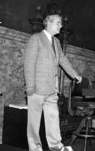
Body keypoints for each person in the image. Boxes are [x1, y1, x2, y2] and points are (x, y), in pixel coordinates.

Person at [24, 14, 82, 151]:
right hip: (36, 89)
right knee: (34, 123)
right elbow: (28, 64)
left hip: (51, 90)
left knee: (53, 119)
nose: (60, 25)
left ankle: (56, 147)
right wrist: (30, 86)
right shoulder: (36, 38)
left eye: (61, 23)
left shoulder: (56, 42)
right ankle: (35, 148)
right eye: (58, 23)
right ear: (48, 23)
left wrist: (75, 75)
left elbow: (62, 60)